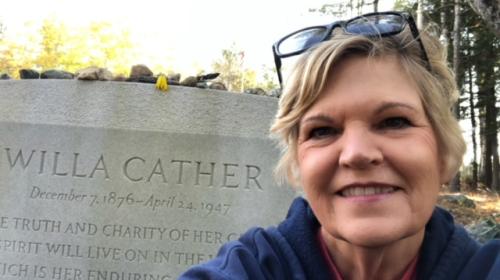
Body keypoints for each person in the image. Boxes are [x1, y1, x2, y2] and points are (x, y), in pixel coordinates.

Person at [179, 11, 500, 279]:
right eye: (322, 131)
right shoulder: (249, 269)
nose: (357, 153)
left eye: (394, 122)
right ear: (298, 164)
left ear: (443, 152)